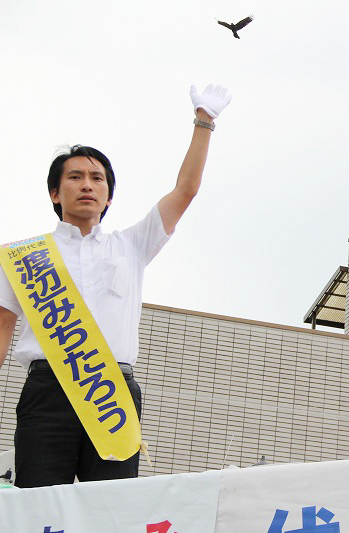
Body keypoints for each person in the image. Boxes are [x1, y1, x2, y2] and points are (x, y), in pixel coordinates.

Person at [0, 83, 232, 487]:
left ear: (108, 197)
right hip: (46, 390)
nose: (87, 185)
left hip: (112, 394)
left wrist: (203, 123)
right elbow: (2, 329)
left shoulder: (131, 245)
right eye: (75, 177)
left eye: (97, 178)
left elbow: (186, 191)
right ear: (55, 192)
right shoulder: (24, 257)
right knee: (38, 504)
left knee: (111, 510)